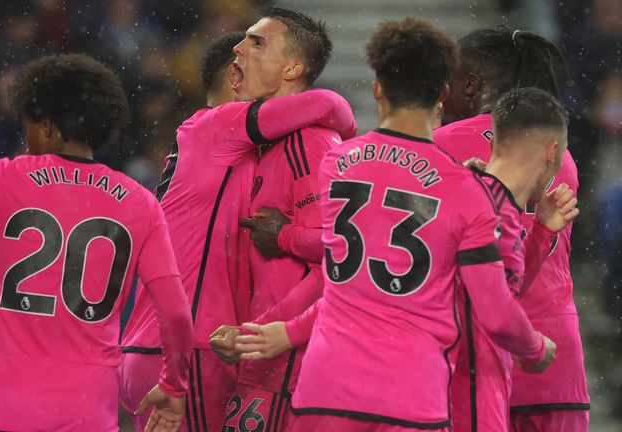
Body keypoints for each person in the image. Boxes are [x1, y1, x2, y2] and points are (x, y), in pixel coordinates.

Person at [262, 18, 555, 431]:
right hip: (409, 395)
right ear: (442, 94)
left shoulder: (337, 163)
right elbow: (493, 308)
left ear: (377, 90)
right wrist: (535, 347)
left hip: (325, 387)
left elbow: (347, 276)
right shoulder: (464, 188)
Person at [0, 53, 193, 432]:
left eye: (27, 121)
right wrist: (174, 384)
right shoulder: (140, 203)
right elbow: (175, 313)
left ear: (46, 125)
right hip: (86, 415)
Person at [120, 30, 356, 431]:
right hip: (189, 349)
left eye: (257, 45)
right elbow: (329, 103)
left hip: (164, 343)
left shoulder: (221, 145)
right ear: (234, 78)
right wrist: (351, 137)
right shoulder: (219, 125)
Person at [435, 26, 590, 432]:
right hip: (556, 365)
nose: (440, 94)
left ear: (470, 85)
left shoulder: (435, 147)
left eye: (447, 80)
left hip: (474, 366)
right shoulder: (559, 152)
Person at [208, 8, 355, 431]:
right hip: (266, 357)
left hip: (290, 363)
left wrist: (261, 331)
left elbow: (342, 258)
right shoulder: (267, 143)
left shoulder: (309, 144)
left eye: (257, 42)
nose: (238, 48)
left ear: (292, 69)